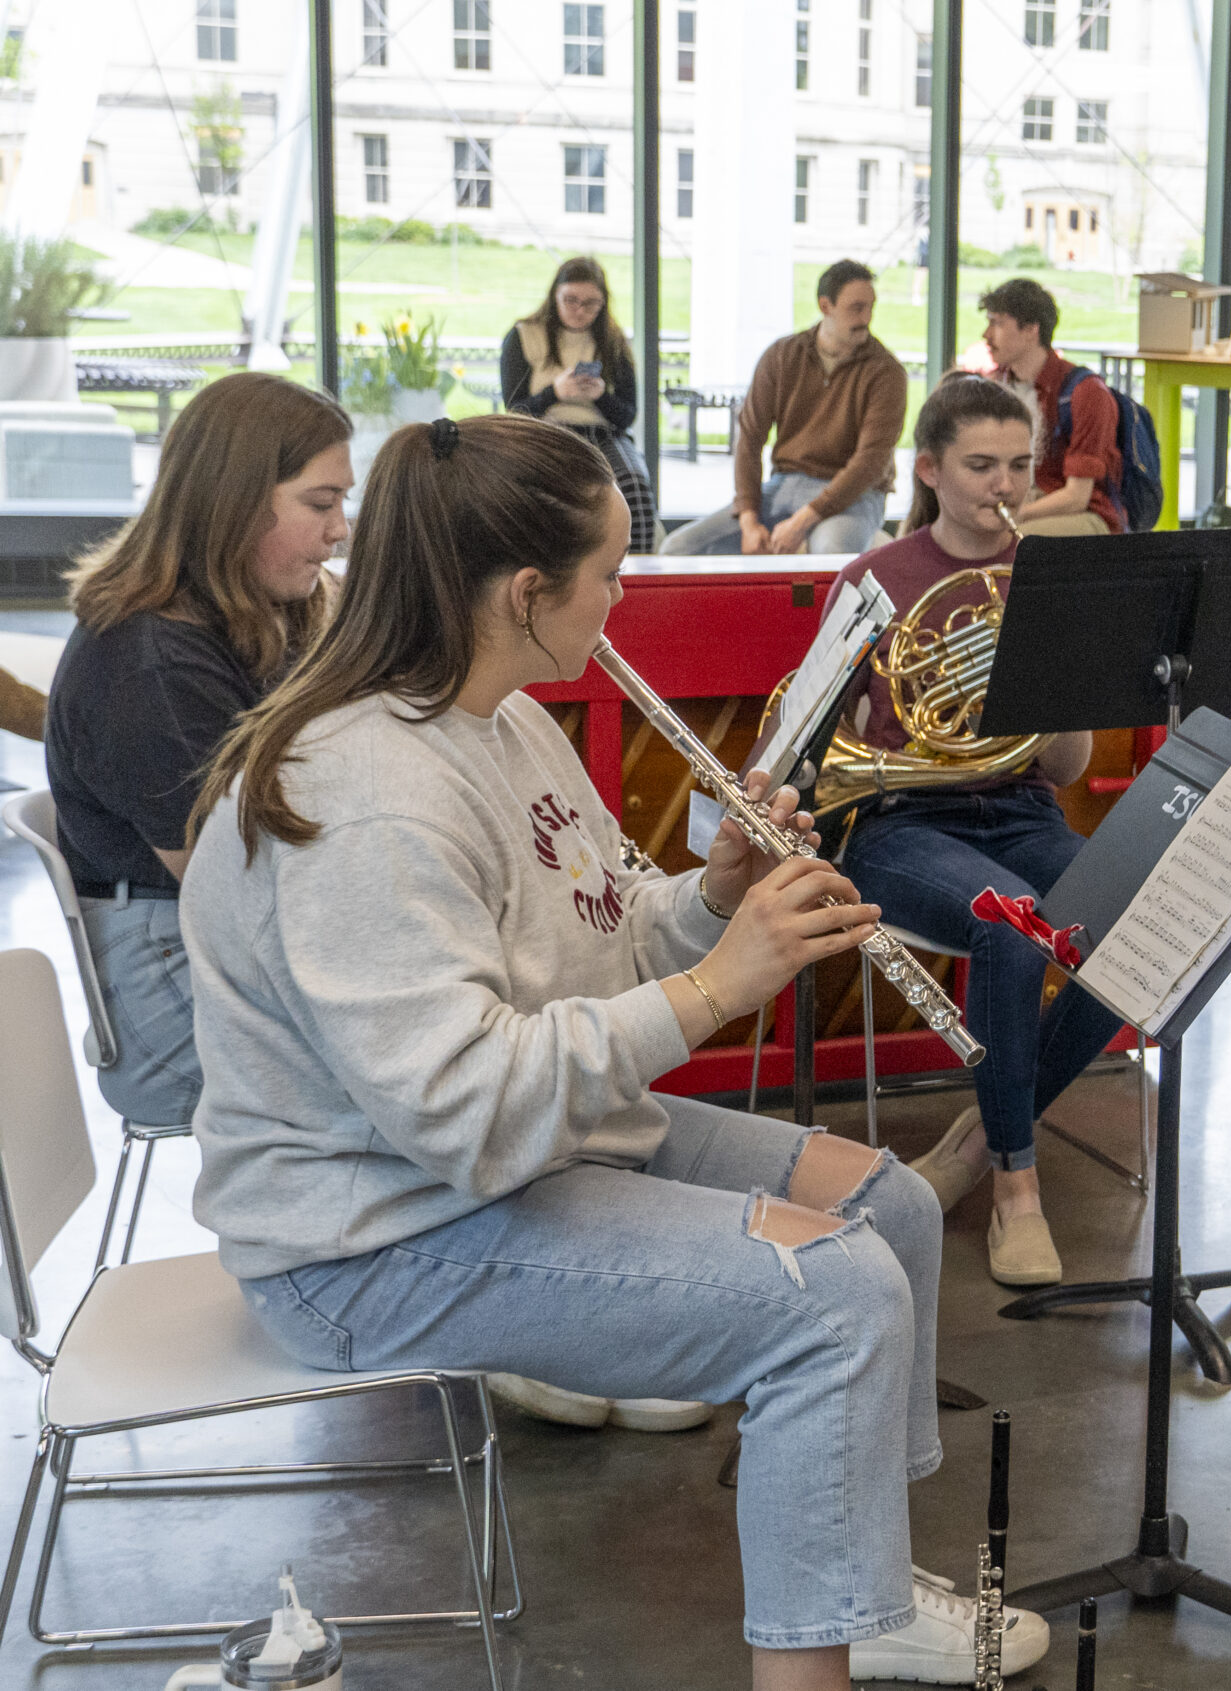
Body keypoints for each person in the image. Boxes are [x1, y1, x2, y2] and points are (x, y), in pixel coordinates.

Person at [182, 414, 1048, 1687]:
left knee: (895, 1208)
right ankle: (822, 1641)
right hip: (375, 1234)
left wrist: (715, 890)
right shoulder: (366, 800)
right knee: (839, 1296)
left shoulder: (503, 718)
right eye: (609, 572)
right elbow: (465, 1109)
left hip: (528, 1152)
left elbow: (611, 921)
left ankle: (853, 1585)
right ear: (526, 594)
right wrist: (714, 988)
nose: (624, 592)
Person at [824, 376, 1125, 1287]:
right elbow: (802, 738)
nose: (1005, 486)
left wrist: (1065, 665)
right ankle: (1015, 1185)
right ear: (930, 469)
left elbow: (1066, 771)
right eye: (979, 465)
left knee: (1137, 921)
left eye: (1019, 465)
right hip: (899, 815)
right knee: (1013, 916)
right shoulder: (873, 579)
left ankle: (986, 1127)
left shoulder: (1044, 575)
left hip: (1021, 806)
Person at [44, 371, 351, 1130]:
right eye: (321, 503)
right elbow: (241, 888)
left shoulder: (258, 609)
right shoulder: (147, 664)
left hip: (216, 948)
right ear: (236, 500)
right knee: (438, 1082)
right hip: (170, 986)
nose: (340, 529)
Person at [661, 260, 908, 559]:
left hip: (855, 495)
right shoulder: (783, 356)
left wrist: (803, 521)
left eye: (871, 307)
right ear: (825, 305)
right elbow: (749, 438)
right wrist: (749, 518)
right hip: (787, 483)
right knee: (676, 550)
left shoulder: (886, 372)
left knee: (830, 554)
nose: (866, 317)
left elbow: (870, 462)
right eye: (856, 308)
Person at [501, 255, 657, 556]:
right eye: (571, 300)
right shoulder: (523, 335)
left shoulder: (612, 341)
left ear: (603, 304)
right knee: (548, 493)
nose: (580, 311)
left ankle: (636, 573)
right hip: (547, 431)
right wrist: (555, 392)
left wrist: (600, 396)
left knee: (634, 484)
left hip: (601, 433)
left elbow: (627, 416)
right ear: (554, 296)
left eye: (590, 303)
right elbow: (515, 410)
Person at [977, 277, 1122, 536]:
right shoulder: (995, 385)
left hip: (1083, 515)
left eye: (996, 323)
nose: (986, 335)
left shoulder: (1084, 392)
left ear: (1031, 330)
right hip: (1019, 502)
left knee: (1010, 545)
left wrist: (1013, 516)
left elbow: (1077, 496)